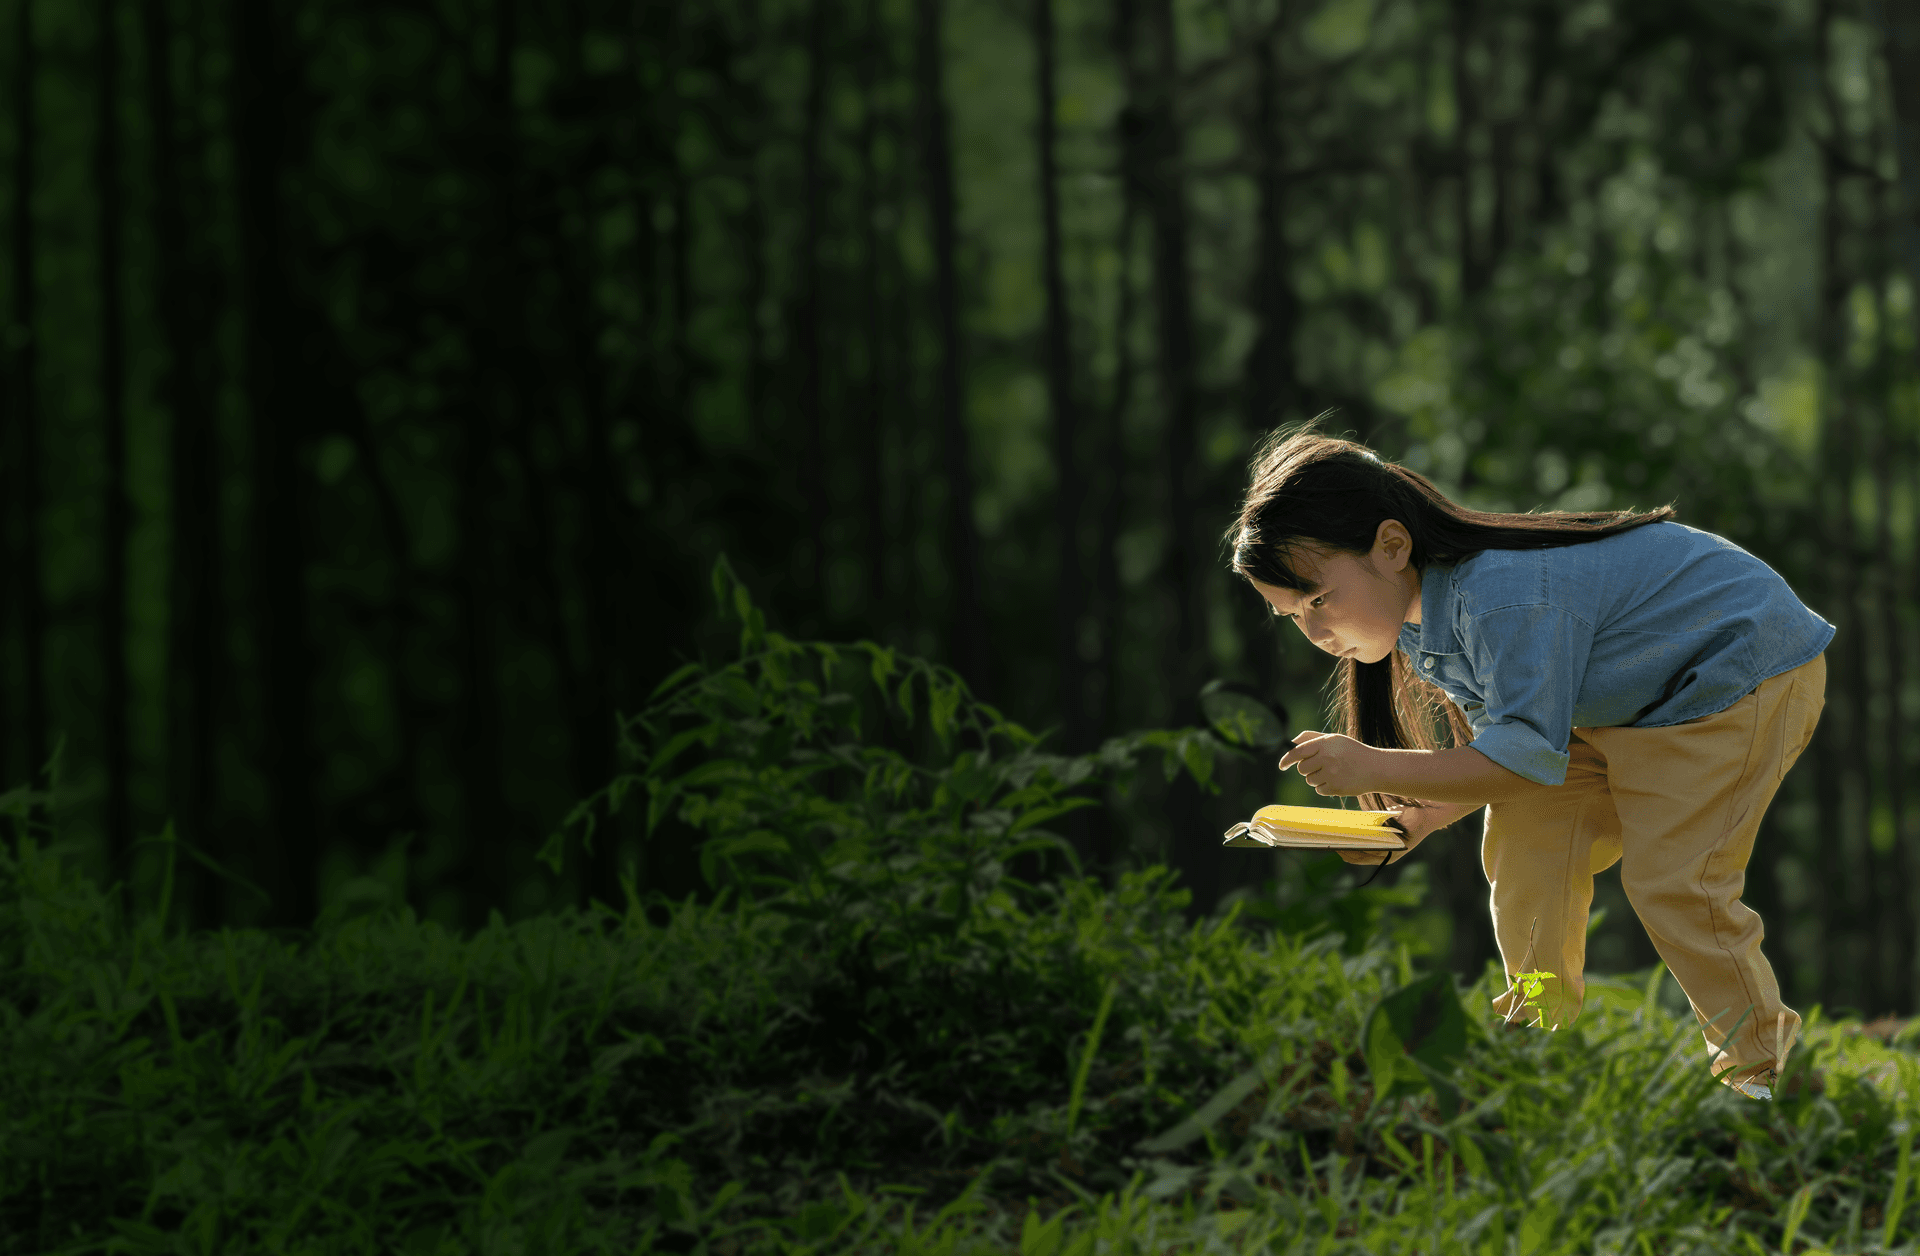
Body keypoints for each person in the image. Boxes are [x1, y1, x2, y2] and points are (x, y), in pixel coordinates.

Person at [1228, 425, 1832, 1101]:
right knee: (1528, 840)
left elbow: (1519, 758)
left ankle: (1763, 1079)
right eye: (1291, 616)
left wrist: (1373, 766)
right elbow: (1512, 754)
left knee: (1675, 881)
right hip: (1620, 709)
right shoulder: (1433, 621)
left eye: (1316, 600)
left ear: (1392, 545)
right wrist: (1422, 818)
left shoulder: (1503, 596)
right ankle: (1538, 1044)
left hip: (1735, 677)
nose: (1314, 632)